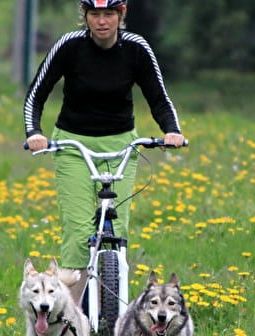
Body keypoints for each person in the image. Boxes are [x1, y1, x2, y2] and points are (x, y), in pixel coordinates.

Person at [23, 0, 185, 305]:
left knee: (117, 227)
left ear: (121, 15)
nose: (101, 21)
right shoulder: (69, 46)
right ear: (84, 16)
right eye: (94, 14)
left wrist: (171, 131)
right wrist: (35, 133)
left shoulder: (136, 49)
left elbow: (159, 98)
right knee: (79, 230)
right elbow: (36, 94)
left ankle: (113, 308)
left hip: (122, 145)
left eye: (109, 13)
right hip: (74, 146)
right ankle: (70, 320)